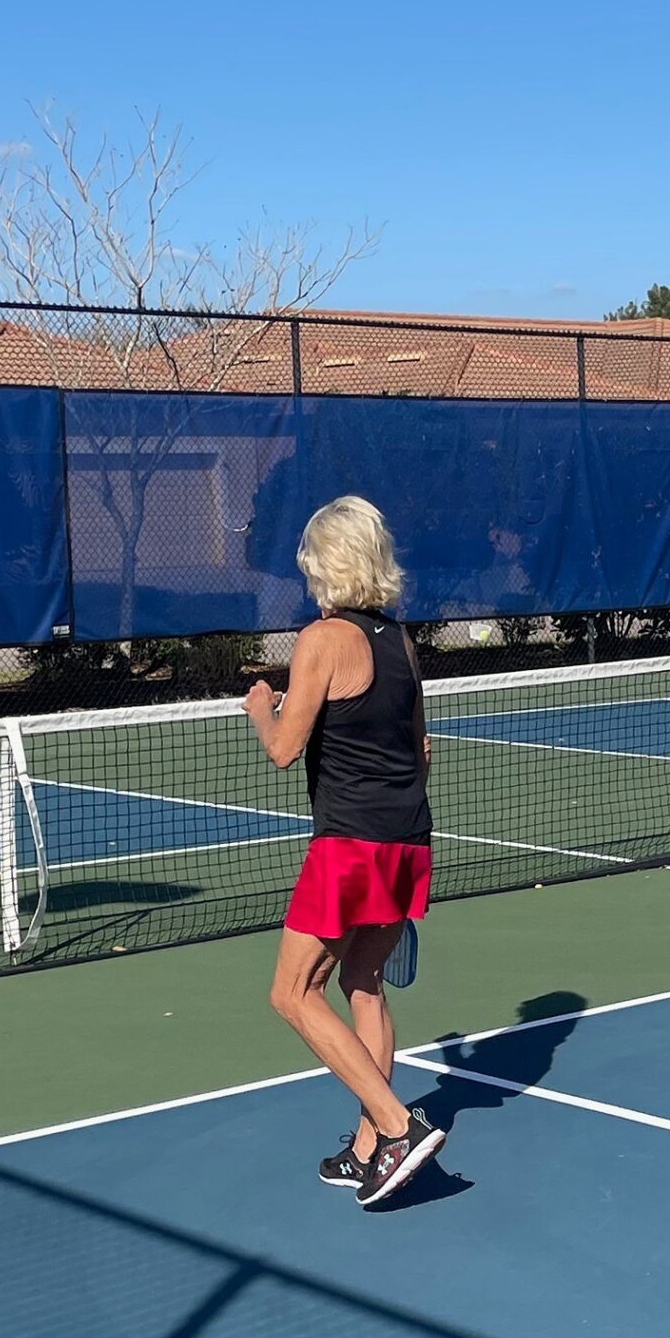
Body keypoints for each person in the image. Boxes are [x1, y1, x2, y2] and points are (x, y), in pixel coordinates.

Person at [245, 496, 446, 1207]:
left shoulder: (322, 640)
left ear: (325, 568)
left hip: (351, 844)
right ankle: (368, 1151)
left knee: (292, 993)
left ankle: (394, 1126)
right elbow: (421, 750)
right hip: (408, 838)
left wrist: (259, 706)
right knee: (364, 984)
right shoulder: (401, 641)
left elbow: (284, 748)